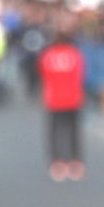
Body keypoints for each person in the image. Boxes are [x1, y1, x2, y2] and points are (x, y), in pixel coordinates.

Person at [37, 27, 85, 181]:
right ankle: (75, 161)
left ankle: (57, 162)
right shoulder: (74, 54)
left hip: (54, 99)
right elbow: (80, 75)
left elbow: (43, 75)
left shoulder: (48, 55)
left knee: (54, 131)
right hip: (72, 98)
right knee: (73, 131)